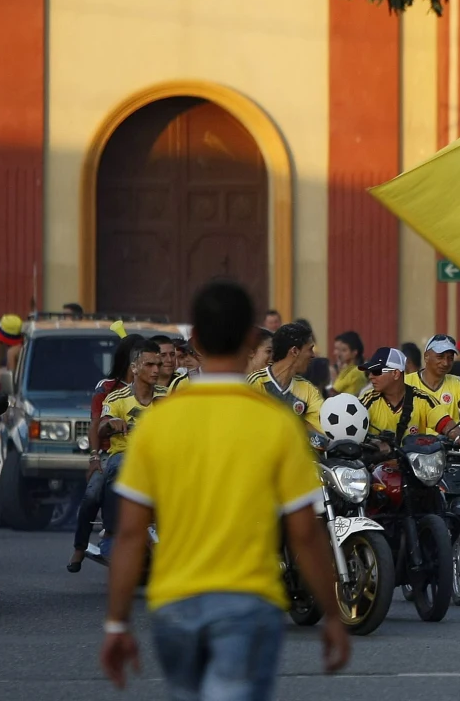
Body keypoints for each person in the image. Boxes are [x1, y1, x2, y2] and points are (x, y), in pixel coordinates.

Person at [100, 281, 350, 694]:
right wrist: (334, 617)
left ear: (194, 339)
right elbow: (304, 533)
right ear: (252, 341)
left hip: (174, 605)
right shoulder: (277, 424)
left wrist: (116, 623)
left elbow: (129, 535)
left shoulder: (159, 423)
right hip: (249, 603)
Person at [68, 333, 145, 572]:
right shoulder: (108, 388)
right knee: (93, 494)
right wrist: (93, 457)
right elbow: (95, 424)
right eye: (140, 360)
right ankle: (80, 548)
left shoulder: (158, 389)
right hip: (110, 454)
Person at [98, 339, 168, 556]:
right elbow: (101, 427)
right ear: (135, 368)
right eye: (149, 365)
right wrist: (110, 424)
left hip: (161, 459)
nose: (156, 370)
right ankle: (111, 531)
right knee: (118, 467)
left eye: (158, 364)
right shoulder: (117, 397)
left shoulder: (168, 398)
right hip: (125, 455)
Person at [358, 347, 460, 446]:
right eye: (369, 372)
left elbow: (445, 422)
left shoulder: (423, 399)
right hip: (375, 466)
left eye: (376, 372)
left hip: (413, 467)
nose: (371, 376)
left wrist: (459, 437)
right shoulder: (367, 400)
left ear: (396, 373)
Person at [406, 334, 460, 441]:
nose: (445, 363)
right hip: (413, 450)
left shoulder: (458, 383)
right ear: (426, 356)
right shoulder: (405, 382)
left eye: (450, 358)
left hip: (449, 451)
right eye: (440, 357)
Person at [248, 322, 324, 433]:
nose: (313, 355)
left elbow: (321, 431)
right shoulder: (255, 383)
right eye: (310, 349)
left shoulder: (308, 390)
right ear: (294, 351)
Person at [330, 331, 366, 396]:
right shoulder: (347, 369)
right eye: (340, 350)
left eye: (344, 350)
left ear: (354, 353)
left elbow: (334, 390)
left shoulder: (356, 371)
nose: (340, 354)